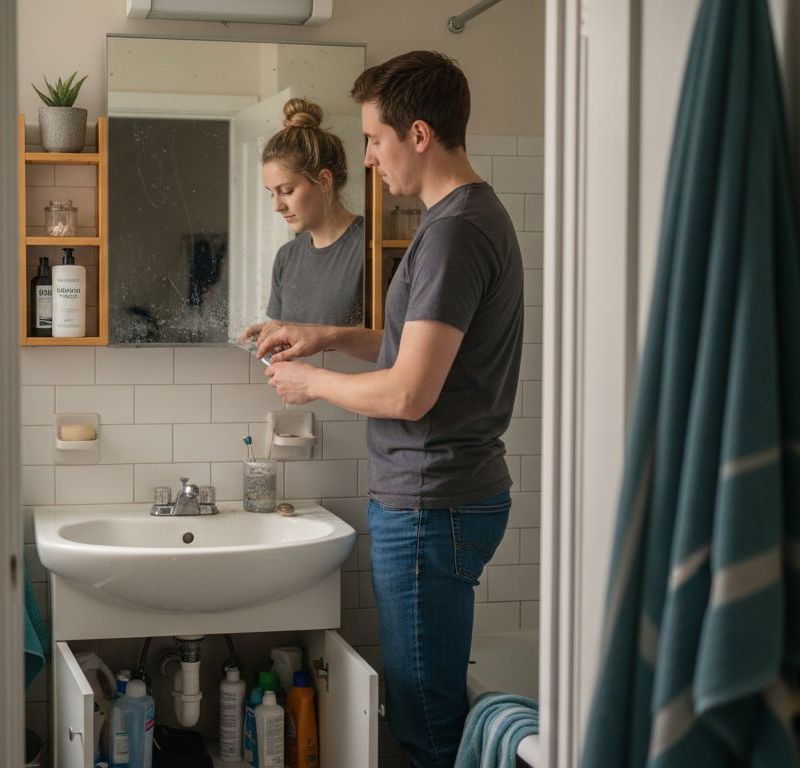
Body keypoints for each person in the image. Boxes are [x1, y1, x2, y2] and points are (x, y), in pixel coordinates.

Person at [255, 51, 524, 768]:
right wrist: (331, 336)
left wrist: (312, 381)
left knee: (424, 719)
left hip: (433, 500)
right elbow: (417, 347)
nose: (369, 159)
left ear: (420, 134)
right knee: (422, 701)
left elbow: (410, 391)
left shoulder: (454, 232)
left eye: (375, 139)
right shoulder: (461, 219)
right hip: (442, 495)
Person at [241, 97, 365, 345]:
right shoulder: (287, 257)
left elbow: (393, 340)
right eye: (271, 193)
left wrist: (300, 330)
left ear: (325, 181)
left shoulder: (370, 248)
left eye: (286, 191)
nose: (277, 206)